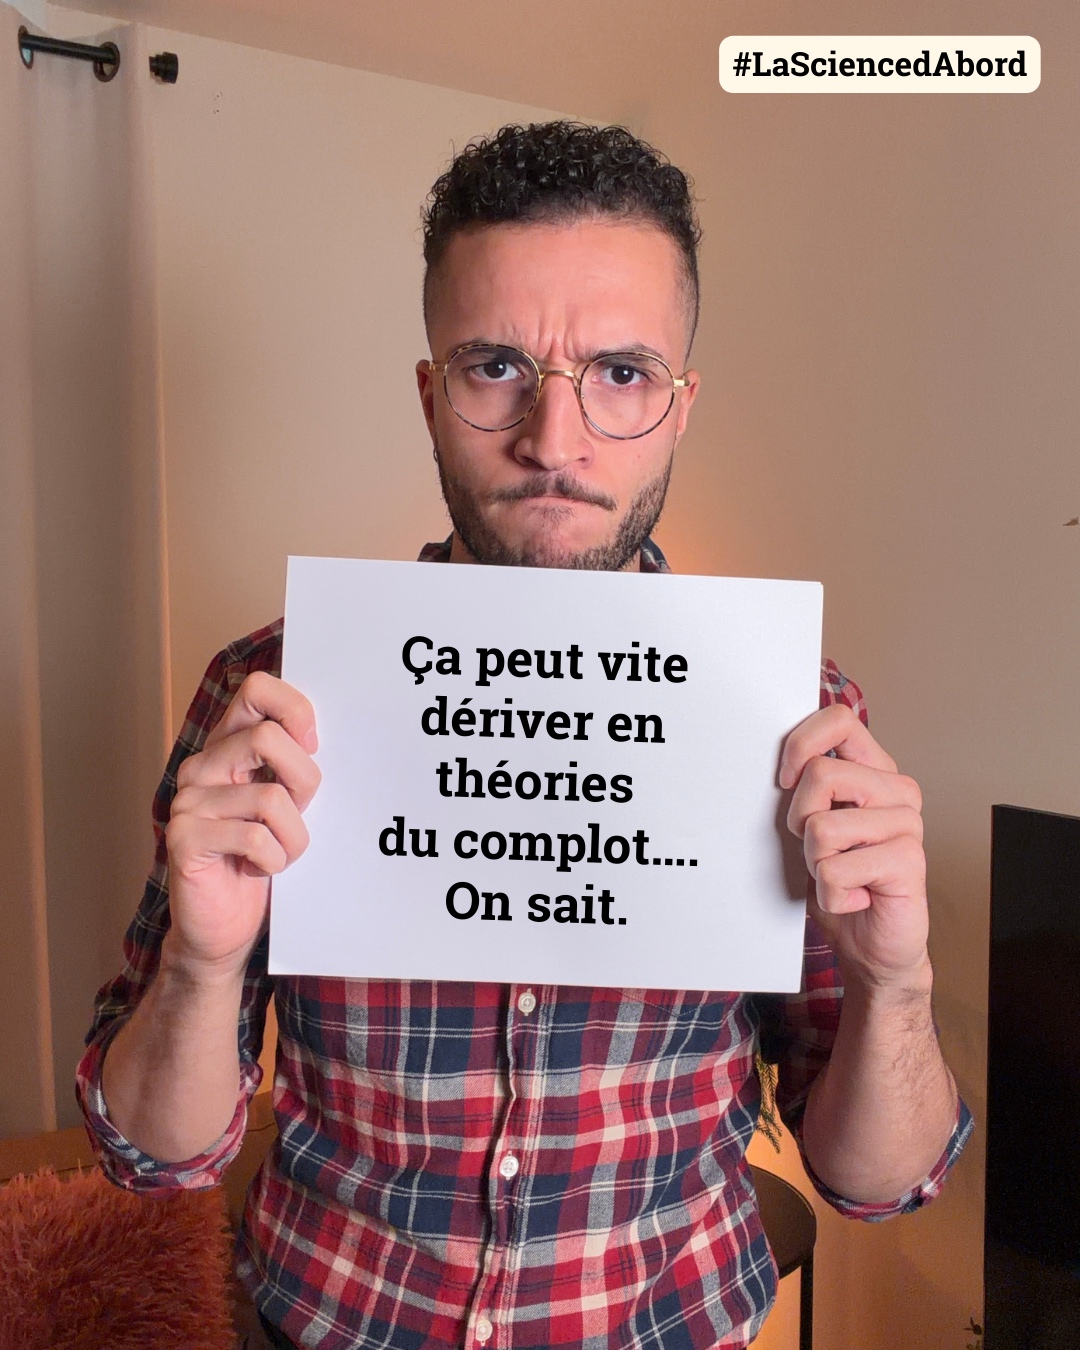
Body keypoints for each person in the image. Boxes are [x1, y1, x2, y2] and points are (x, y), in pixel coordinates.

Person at [77, 122, 971, 1350]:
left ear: (681, 408)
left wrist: (893, 985)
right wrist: (201, 963)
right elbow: (151, 1156)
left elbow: (879, 1183)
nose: (556, 442)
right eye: (497, 365)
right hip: (329, 1319)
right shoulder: (269, 694)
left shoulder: (796, 718)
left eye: (623, 373)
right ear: (431, 396)